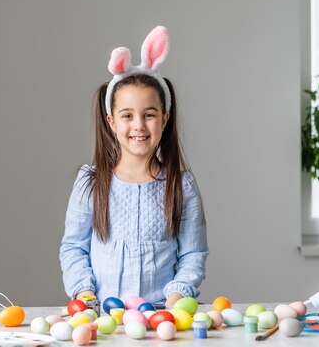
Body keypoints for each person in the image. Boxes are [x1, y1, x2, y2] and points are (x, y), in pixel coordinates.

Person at [59, 26, 208, 307]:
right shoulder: (90, 182)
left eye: (149, 114)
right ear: (111, 121)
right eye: (127, 115)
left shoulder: (181, 185)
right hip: (103, 319)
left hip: (162, 318)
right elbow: (73, 248)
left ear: (164, 120)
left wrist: (176, 299)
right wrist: (84, 294)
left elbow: (193, 254)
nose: (138, 125)